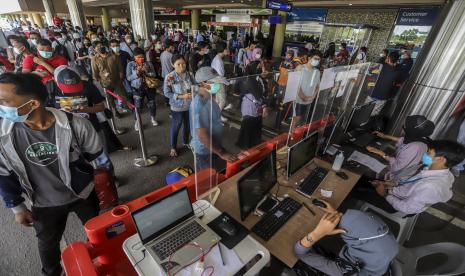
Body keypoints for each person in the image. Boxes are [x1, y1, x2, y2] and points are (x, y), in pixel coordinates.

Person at [0, 73, 104, 276]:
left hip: (82, 194)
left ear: (33, 104)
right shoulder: (4, 137)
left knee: (96, 230)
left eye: (4, 101)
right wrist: (17, 207)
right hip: (43, 203)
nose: (1, 107)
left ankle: (101, 259)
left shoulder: (76, 125)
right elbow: (4, 175)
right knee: (48, 244)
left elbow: (94, 155)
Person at [294, 200, 398, 276]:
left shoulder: (345, 271)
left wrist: (317, 234)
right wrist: (337, 214)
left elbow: (300, 253)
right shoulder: (389, 248)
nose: (339, 216)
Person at [362, 140, 465, 214]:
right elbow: (412, 185)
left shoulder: (431, 186)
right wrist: (391, 184)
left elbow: (407, 208)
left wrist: (384, 194)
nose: (425, 154)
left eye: (429, 153)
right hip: (395, 190)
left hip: (394, 202)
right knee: (365, 179)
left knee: (357, 186)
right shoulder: (445, 174)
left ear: (441, 160)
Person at [190, 67, 238, 171]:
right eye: (215, 82)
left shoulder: (209, 97)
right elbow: (202, 135)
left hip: (214, 146)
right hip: (205, 150)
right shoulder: (199, 105)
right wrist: (222, 153)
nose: (219, 85)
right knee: (208, 180)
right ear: (203, 83)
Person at [366, 115, 435, 181]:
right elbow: (404, 140)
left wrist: (381, 153)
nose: (404, 125)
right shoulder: (421, 139)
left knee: (366, 168)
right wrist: (384, 136)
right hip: (401, 167)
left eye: (406, 124)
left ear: (412, 129)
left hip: (395, 176)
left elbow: (395, 167)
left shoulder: (413, 148)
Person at [164, 54, 194, 157]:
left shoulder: (189, 74)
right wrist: (181, 96)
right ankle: (173, 147)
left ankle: (185, 142)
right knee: (176, 126)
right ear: (173, 64)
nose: (182, 66)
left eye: (183, 64)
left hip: (190, 105)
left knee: (188, 125)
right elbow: (167, 93)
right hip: (177, 107)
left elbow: (195, 86)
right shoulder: (170, 77)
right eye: (178, 64)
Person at [91, 41, 128, 116]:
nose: (100, 47)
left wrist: (121, 74)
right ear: (94, 49)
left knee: (124, 95)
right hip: (105, 83)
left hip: (117, 80)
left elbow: (120, 67)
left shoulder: (113, 55)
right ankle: (115, 111)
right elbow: (95, 72)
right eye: (97, 47)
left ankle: (130, 108)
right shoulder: (94, 59)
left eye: (101, 45)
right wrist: (99, 79)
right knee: (110, 99)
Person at [127, 47, 159, 129]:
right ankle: (137, 121)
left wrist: (147, 71)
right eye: (138, 57)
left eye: (142, 57)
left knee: (152, 104)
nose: (140, 59)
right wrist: (137, 74)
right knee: (137, 106)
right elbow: (128, 77)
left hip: (149, 87)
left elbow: (154, 75)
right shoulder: (130, 65)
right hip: (137, 88)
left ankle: (153, 118)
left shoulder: (148, 64)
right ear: (134, 57)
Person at [290, 50, 321, 133]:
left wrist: (312, 97)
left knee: (303, 119)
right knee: (296, 118)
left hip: (309, 101)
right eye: (316, 58)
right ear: (310, 58)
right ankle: (291, 134)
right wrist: (303, 97)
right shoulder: (300, 68)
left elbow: (318, 86)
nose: (317, 61)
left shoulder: (317, 72)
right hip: (298, 99)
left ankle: (297, 134)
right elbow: (295, 84)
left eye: (318, 59)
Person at [236, 77, 269, 149]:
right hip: (250, 106)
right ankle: (246, 147)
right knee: (248, 127)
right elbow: (257, 93)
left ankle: (254, 144)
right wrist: (264, 106)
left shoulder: (259, 78)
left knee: (255, 126)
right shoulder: (251, 79)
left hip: (255, 106)